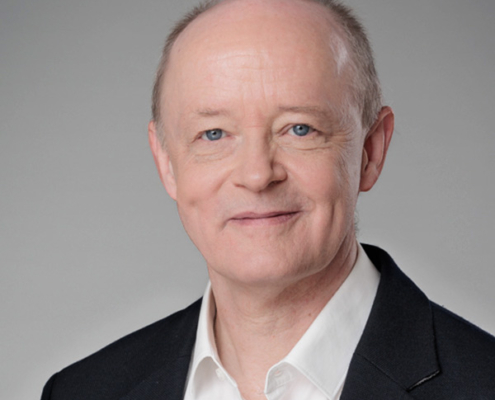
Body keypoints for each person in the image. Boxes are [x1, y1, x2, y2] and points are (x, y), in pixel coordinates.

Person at [41, 0, 495, 399]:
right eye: (213, 134)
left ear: (371, 152)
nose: (257, 175)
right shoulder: (82, 391)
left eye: (300, 129)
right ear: (166, 162)